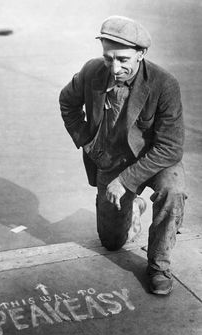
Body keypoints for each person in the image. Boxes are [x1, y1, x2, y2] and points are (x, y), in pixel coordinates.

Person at [59, 15, 186, 295]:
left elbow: (171, 147)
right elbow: (67, 102)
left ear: (141, 54)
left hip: (154, 160)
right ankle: (134, 207)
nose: (115, 68)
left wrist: (126, 181)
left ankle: (159, 265)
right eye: (108, 58)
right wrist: (87, 142)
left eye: (123, 59)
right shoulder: (92, 72)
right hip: (111, 160)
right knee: (111, 242)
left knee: (173, 191)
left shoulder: (164, 84)